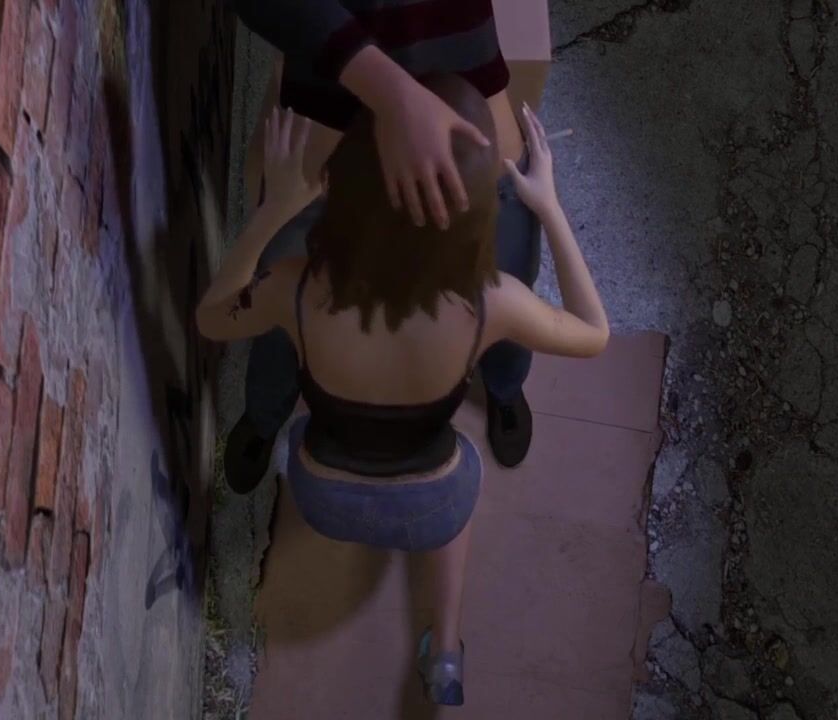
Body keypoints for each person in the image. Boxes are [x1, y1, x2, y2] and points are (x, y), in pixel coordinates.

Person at [196, 74, 610, 706]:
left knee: (290, 368)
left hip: (322, 494)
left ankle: (265, 425)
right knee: (456, 478)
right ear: (475, 219)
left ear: (343, 190)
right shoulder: (491, 301)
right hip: (430, 503)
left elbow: (211, 318)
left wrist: (274, 209)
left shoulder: (298, 284)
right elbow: (593, 332)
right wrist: (549, 204)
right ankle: (445, 651)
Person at [223, 0, 545, 492]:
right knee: (283, 304)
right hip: (330, 125)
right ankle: (265, 412)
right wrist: (393, 93)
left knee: (510, 282)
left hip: (470, 122)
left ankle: (505, 386)